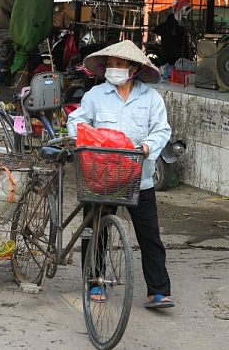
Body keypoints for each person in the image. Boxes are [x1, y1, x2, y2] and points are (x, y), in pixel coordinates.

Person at [67, 40, 174, 309]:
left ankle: (158, 291)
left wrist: (148, 147)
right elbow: (76, 122)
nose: (114, 69)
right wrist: (83, 140)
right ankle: (94, 280)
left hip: (140, 177)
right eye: (110, 64)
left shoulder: (151, 98)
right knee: (96, 231)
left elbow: (162, 130)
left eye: (120, 64)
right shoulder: (95, 96)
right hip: (101, 177)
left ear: (134, 68)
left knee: (149, 236)